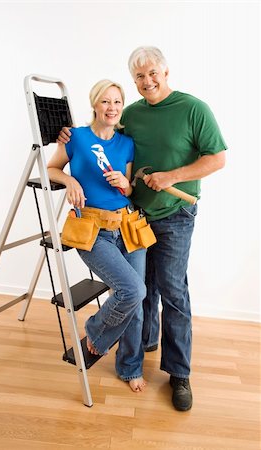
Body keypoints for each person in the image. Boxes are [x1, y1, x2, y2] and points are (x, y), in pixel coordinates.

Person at [58, 46, 227, 411]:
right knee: (140, 291)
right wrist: (67, 139)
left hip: (176, 214)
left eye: (152, 73)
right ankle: (141, 349)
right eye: (139, 76)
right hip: (136, 217)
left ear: (165, 72)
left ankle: (179, 373)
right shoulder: (130, 115)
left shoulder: (193, 109)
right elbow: (99, 140)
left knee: (173, 293)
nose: (146, 81)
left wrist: (173, 177)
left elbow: (218, 158)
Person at [47, 79, 147, 393]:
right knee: (132, 290)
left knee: (137, 300)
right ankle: (96, 332)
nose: (112, 108)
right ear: (95, 104)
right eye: (106, 102)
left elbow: (129, 189)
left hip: (129, 226)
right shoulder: (74, 137)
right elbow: (51, 168)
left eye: (117, 102)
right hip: (93, 231)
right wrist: (69, 181)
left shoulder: (126, 143)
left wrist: (125, 183)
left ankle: (130, 367)